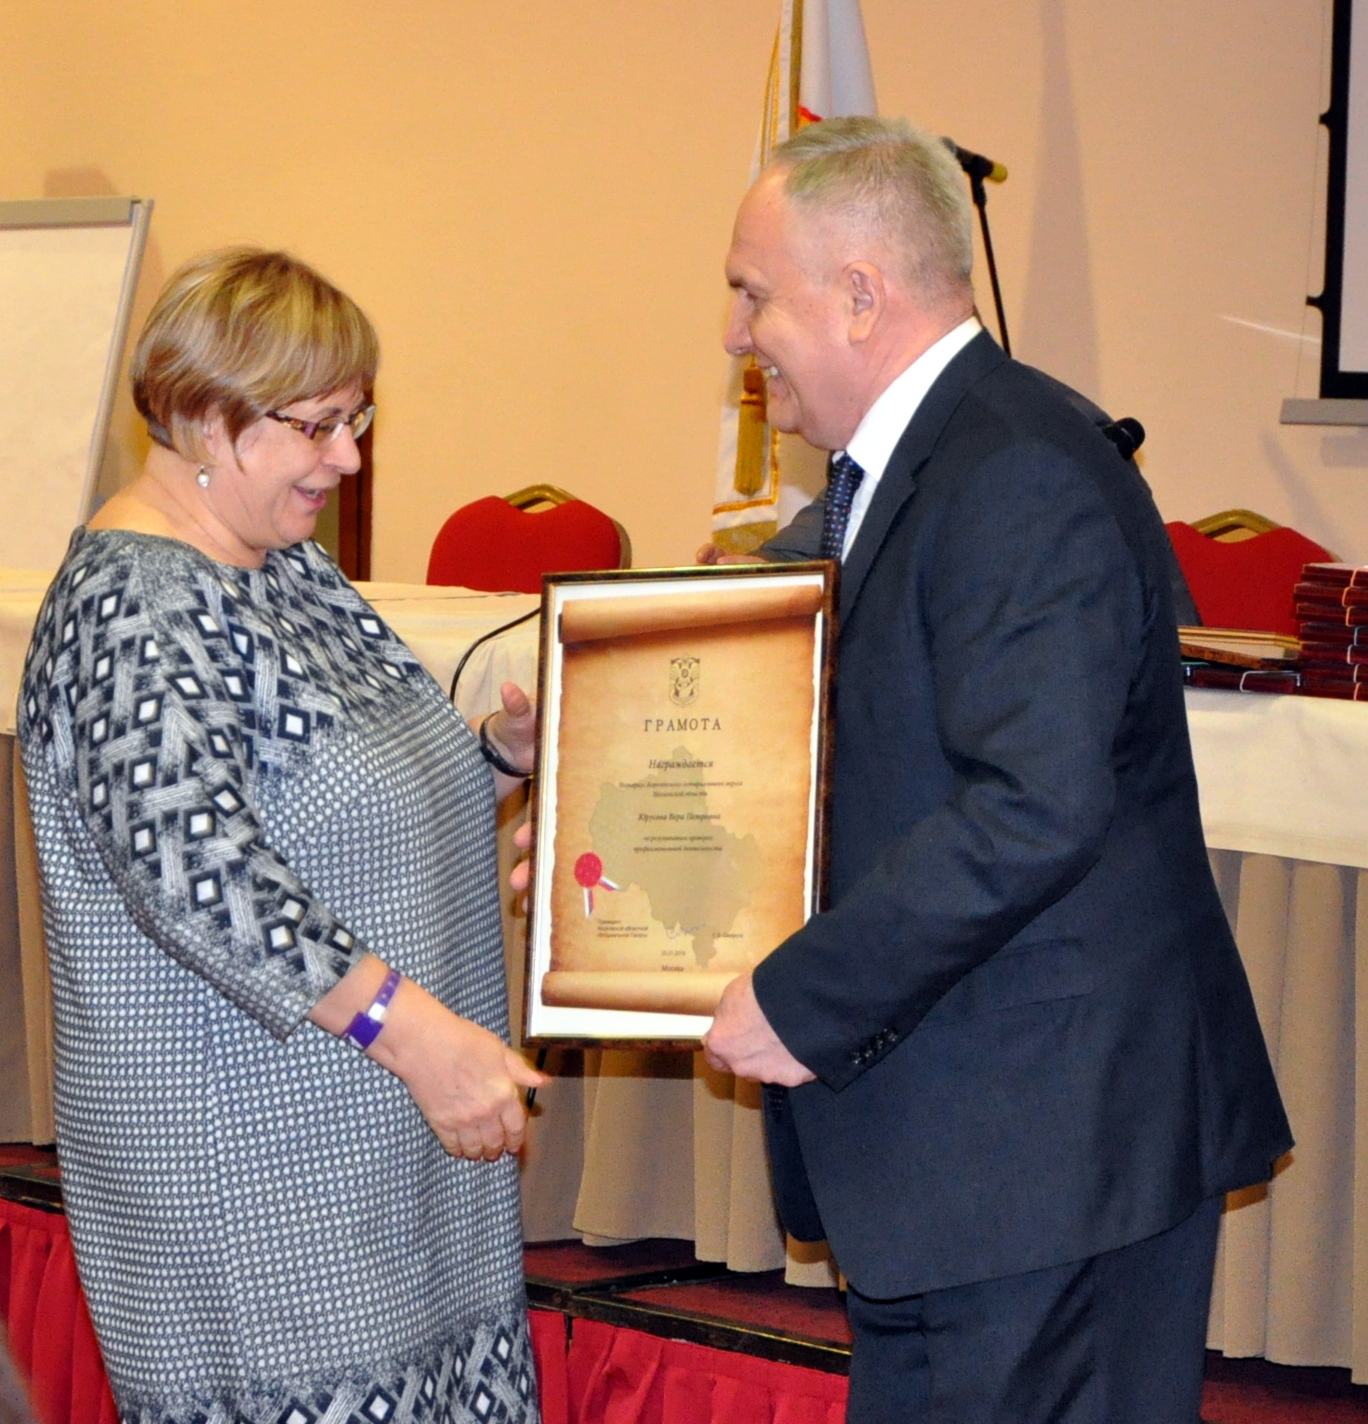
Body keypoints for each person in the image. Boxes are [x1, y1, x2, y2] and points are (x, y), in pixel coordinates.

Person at [700, 117, 1291, 1423]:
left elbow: (1033, 807)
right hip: (954, 1154)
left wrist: (804, 996)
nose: (736, 335)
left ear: (860, 295)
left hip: (1047, 1158)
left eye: (753, 294)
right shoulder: (900, 470)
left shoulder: (1018, 468)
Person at [18, 248, 544, 1424]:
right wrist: (422, 1040)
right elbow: (201, 878)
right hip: (260, 1189)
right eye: (318, 425)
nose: (348, 457)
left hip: (382, 1161)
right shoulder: (132, 608)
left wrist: (495, 757)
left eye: (358, 418)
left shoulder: (282, 564)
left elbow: (332, 804)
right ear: (208, 420)